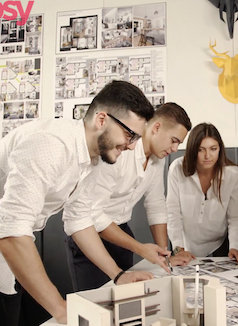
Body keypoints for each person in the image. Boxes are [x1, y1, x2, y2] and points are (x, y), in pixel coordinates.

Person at [0, 81, 156, 325]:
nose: (132, 145)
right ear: (102, 120)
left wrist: (118, 275)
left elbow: (80, 220)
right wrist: (62, 310)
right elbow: (11, 233)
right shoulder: (50, 143)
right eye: (130, 134)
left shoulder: (92, 159)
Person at [66, 103, 192, 291]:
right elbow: (94, 215)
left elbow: (156, 205)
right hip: (89, 233)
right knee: (96, 306)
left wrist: (164, 255)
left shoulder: (159, 160)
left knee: (127, 303)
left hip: (122, 234)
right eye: (174, 140)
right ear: (156, 128)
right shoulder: (119, 150)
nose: (175, 149)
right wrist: (140, 248)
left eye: (179, 144)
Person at [166, 123, 238, 263]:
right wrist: (178, 248)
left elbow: (236, 217)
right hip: (184, 246)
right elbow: (173, 213)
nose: (208, 156)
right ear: (192, 150)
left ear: (220, 149)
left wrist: (235, 246)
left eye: (213, 149)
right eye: (201, 150)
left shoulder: (232, 174)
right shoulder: (177, 169)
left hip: (220, 245)